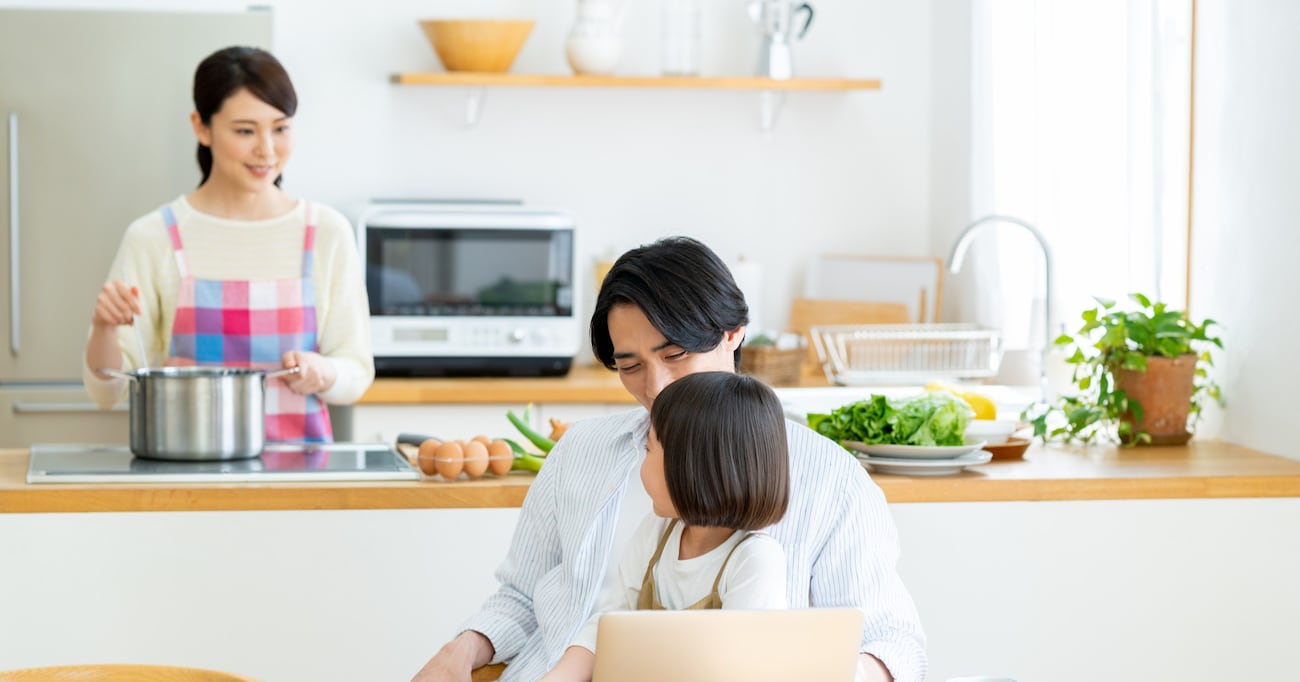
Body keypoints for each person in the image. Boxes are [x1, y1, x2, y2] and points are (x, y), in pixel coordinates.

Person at [412, 236, 926, 682]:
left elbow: (892, 641)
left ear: (733, 334)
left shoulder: (829, 478)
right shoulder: (581, 452)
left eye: (675, 355)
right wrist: (460, 650)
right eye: (630, 365)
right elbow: (523, 597)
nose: (654, 388)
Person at [83, 46, 373, 441]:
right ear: (201, 127)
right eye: (245, 131)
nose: (267, 150)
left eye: (281, 127)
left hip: (298, 485)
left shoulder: (326, 233)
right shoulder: (153, 237)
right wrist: (103, 328)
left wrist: (324, 372)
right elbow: (107, 391)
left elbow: (356, 370)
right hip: (185, 479)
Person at [540, 371, 791, 682]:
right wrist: (560, 676)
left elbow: (739, 670)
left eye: (648, 450)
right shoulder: (658, 531)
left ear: (693, 467)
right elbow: (611, 623)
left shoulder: (755, 561)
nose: (641, 464)